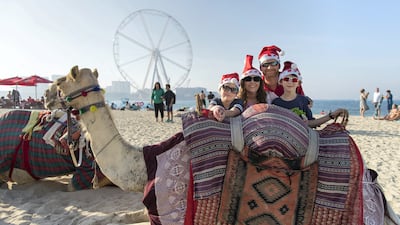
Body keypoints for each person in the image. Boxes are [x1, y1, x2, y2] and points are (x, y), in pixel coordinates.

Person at [272, 61, 346, 128]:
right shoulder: (275, 103)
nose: (290, 82)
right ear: (280, 82)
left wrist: (331, 115)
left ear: (299, 83)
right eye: (286, 79)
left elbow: (311, 123)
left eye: (294, 80)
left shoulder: (303, 101)